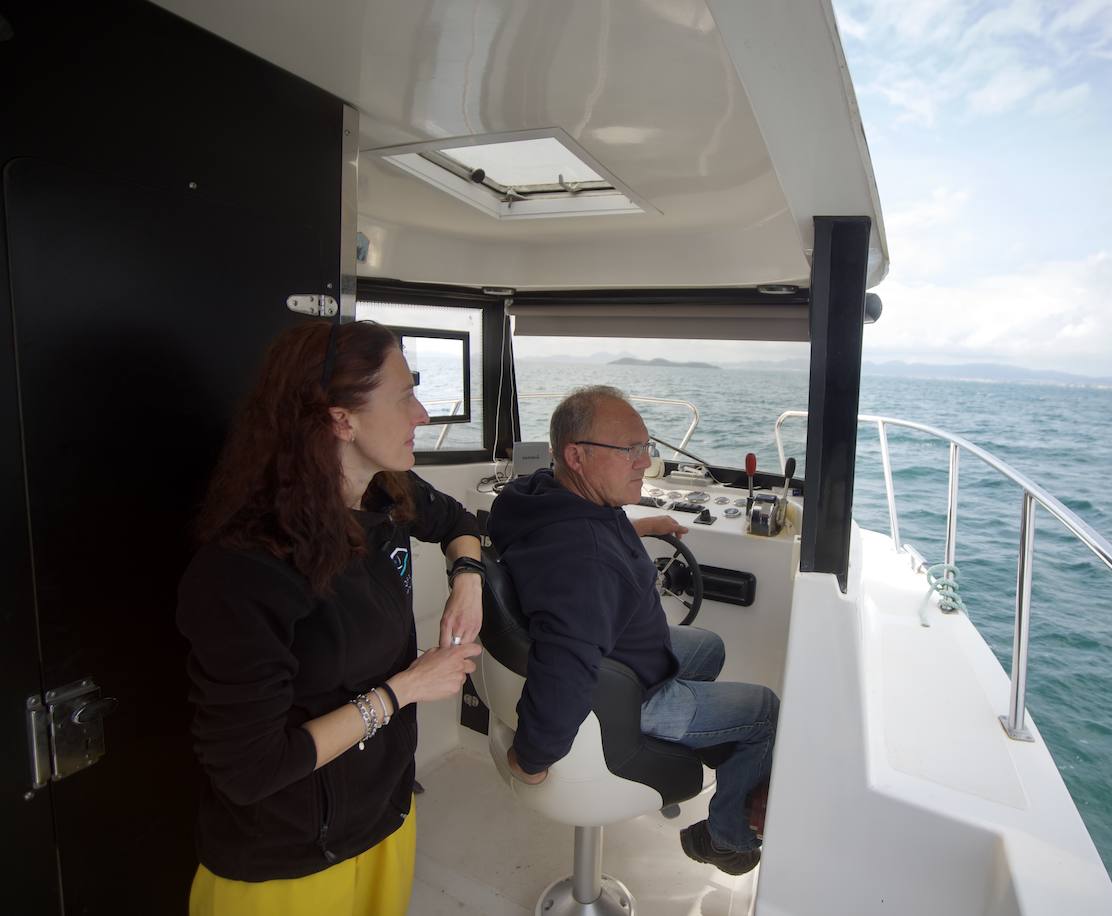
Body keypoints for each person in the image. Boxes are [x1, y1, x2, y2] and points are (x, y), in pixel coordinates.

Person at [176, 320, 484, 916]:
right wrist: (406, 689)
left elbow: (459, 524)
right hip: (288, 865)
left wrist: (466, 580)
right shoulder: (244, 569)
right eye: (404, 397)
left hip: (385, 817)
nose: (422, 414)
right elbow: (252, 770)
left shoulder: (387, 493)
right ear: (341, 420)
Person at [489, 385, 779, 876]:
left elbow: (588, 526)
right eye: (630, 450)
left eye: (647, 447)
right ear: (576, 455)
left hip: (624, 653)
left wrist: (638, 528)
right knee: (766, 712)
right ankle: (727, 835)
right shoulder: (586, 563)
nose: (645, 463)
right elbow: (563, 670)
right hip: (626, 695)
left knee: (708, 647)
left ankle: (696, 737)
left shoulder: (535, 494)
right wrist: (530, 761)